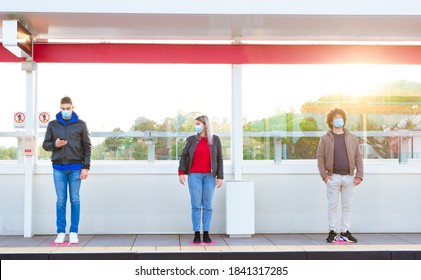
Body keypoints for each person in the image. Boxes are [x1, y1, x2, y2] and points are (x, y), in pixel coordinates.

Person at [42, 96, 91, 244]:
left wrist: (86, 167)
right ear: (60, 108)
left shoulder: (81, 125)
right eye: (63, 109)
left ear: (73, 107)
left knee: (75, 200)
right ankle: (61, 232)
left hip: (76, 167)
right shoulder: (52, 125)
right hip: (58, 168)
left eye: (68, 108)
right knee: (60, 201)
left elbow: (87, 147)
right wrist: (55, 145)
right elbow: (45, 145)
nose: (65, 111)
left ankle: (74, 231)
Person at [316, 107, 363, 243]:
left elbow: (358, 157)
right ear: (331, 121)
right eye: (336, 118)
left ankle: (344, 232)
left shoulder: (352, 138)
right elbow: (320, 158)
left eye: (340, 118)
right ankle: (332, 231)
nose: (339, 120)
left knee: (347, 205)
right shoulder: (325, 139)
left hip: (349, 177)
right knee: (332, 205)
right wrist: (324, 176)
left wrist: (359, 175)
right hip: (333, 177)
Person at [178, 115, 224, 243]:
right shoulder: (191, 140)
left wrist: (220, 176)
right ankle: (197, 232)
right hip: (194, 176)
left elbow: (219, 159)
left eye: (198, 123)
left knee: (208, 205)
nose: (196, 126)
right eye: (195, 124)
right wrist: (181, 172)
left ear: (205, 124)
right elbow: (183, 156)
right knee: (196, 205)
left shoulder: (215, 139)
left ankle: (207, 232)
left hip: (210, 176)